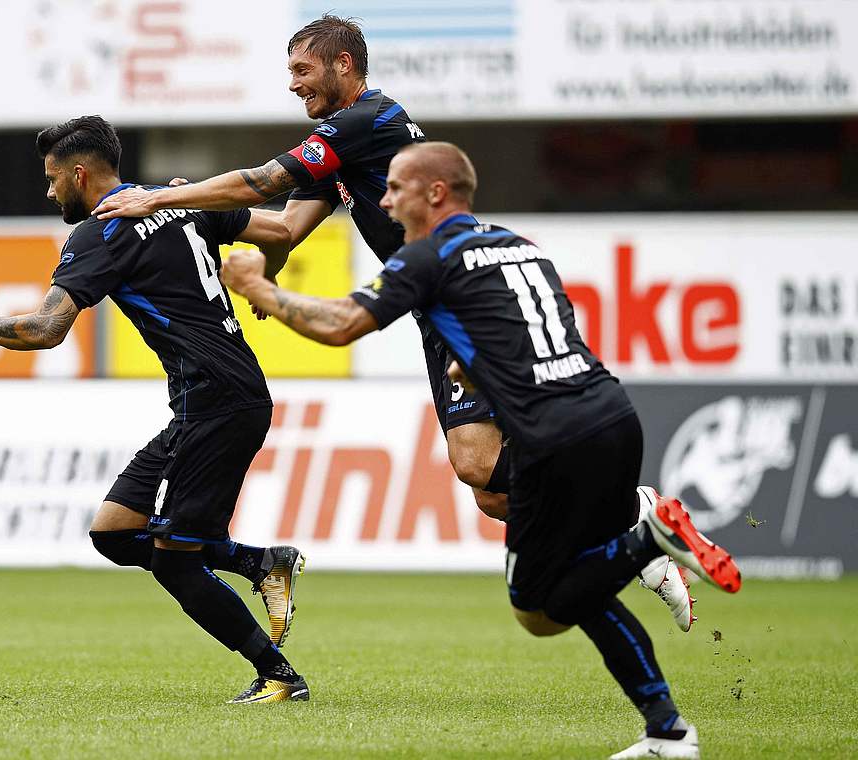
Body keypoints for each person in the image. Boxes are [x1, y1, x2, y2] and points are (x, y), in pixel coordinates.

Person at [95, 14, 695, 633]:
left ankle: (632, 514)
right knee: (491, 492)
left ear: (343, 65)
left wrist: (161, 198)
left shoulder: (363, 121)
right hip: (441, 306)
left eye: (303, 70)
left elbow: (264, 183)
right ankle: (631, 531)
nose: (295, 85)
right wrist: (262, 279)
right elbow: (284, 227)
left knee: (473, 464)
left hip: (467, 297)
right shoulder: (344, 147)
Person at [220, 142, 743, 757]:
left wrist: (261, 287)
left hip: (554, 439)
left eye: (395, 189)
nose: (383, 201)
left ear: (436, 193)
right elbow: (540, 329)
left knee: (538, 607)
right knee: (584, 586)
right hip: (612, 417)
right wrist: (477, 369)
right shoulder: (519, 246)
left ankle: (649, 536)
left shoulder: (427, 257)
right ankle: (668, 731)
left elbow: (340, 325)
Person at [0, 116, 308, 704]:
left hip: (215, 401)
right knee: (113, 532)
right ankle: (259, 562)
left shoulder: (102, 232)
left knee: (175, 561)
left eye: (53, 178)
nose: (49, 190)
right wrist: (271, 281)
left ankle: (280, 676)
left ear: (81, 175)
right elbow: (280, 231)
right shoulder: (182, 198)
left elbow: (46, 328)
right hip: (215, 399)